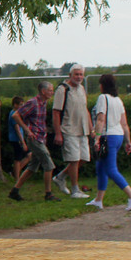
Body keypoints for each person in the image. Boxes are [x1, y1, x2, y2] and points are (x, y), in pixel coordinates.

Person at [86, 74, 131, 211]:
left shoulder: (102, 98)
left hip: (107, 136)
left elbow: (100, 120)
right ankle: (98, 200)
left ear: (102, 85)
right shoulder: (118, 100)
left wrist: (97, 138)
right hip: (118, 136)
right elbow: (124, 123)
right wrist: (128, 141)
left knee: (111, 169)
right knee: (100, 166)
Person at [8, 81, 60, 201]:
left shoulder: (43, 103)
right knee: (49, 165)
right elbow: (16, 115)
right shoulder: (33, 103)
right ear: (43, 91)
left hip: (41, 137)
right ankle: (48, 193)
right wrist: (27, 130)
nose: (52, 92)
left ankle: (14, 191)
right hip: (34, 138)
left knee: (32, 167)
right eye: (50, 90)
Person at [51, 63, 92, 199]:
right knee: (74, 160)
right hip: (68, 129)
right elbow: (56, 112)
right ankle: (75, 190)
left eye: (81, 74)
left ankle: (60, 177)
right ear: (70, 75)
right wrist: (58, 133)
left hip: (82, 130)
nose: (79, 77)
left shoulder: (81, 89)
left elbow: (85, 110)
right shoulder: (63, 90)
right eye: (76, 74)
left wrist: (91, 128)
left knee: (84, 158)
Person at [7, 95, 29, 182]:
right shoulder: (13, 114)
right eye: (20, 104)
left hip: (18, 138)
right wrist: (22, 142)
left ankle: (15, 172)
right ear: (15, 105)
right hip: (16, 139)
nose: (22, 107)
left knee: (28, 156)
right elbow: (17, 129)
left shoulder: (17, 114)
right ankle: (16, 177)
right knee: (18, 158)